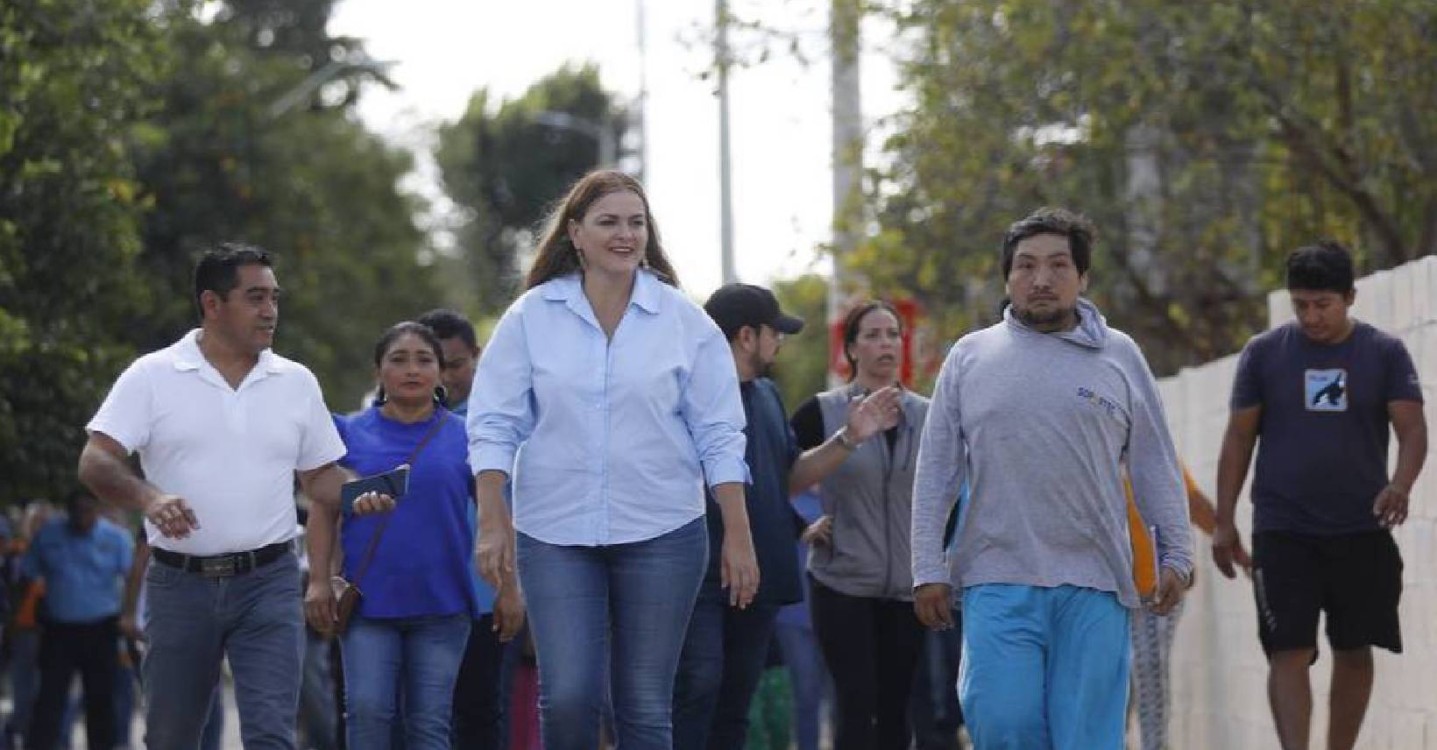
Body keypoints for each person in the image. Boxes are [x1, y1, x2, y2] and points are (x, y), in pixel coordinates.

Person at [468, 169, 760, 750]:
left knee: (645, 708)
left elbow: (720, 433)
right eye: (608, 222)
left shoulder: (685, 323)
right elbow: (495, 422)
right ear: (575, 233)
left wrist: (738, 532)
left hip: (664, 531)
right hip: (554, 533)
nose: (625, 235)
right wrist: (491, 514)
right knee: (570, 698)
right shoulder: (531, 318)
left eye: (636, 222)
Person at [77, 243, 380, 750]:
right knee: (170, 737)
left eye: (275, 298)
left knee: (270, 734)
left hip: (270, 582)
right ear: (212, 305)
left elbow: (319, 479)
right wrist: (149, 499)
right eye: (255, 297)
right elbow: (95, 460)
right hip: (179, 585)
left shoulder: (296, 381)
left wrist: (362, 493)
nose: (271, 311)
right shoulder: (151, 376)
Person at [910, 207, 1194, 749]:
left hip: (1097, 581)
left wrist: (1176, 555)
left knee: (1085, 737)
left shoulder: (1120, 355)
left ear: (1082, 278)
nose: (1041, 279)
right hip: (996, 575)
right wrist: (927, 567)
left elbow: (1155, 460)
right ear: (1008, 277)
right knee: (1002, 720)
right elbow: (936, 473)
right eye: (1026, 266)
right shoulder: (971, 357)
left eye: (1059, 265)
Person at [1212, 240, 1426, 750]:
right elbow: (1239, 437)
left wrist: (1400, 483)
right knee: (1289, 648)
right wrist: (1224, 521)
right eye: (1300, 305)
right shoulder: (1264, 355)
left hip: (1360, 527)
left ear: (1350, 297)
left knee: (1354, 648)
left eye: (1322, 305)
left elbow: (1413, 430)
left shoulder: (1384, 353)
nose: (1311, 316)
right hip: (1283, 529)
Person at [672, 285, 901, 749]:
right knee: (696, 693)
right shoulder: (685, 396)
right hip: (699, 580)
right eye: (775, 332)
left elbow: (789, 478)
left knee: (734, 708)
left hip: (759, 583)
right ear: (745, 336)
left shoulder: (767, 396)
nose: (781, 341)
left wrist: (849, 439)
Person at [303, 321, 524, 750]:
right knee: (367, 715)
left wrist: (509, 588)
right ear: (378, 372)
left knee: (430, 725)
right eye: (398, 360)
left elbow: (495, 515)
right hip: (367, 606)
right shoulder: (347, 432)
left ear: (440, 372)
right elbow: (323, 509)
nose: (412, 370)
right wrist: (317, 580)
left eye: (424, 360)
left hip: (443, 607)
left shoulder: (466, 435)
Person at [787, 299, 929, 750]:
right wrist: (847, 440)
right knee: (855, 703)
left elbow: (954, 487)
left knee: (895, 710)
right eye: (872, 334)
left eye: (893, 333)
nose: (885, 343)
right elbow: (783, 480)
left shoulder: (930, 414)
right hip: (842, 582)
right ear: (850, 349)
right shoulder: (823, 411)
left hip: (908, 588)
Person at [415, 308, 512, 749]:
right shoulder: (405, 422)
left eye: (456, 364)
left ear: (476, 355)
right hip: (423, 596)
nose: (446, 378)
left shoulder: (503, 418)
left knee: (481, 715)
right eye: (436, 365)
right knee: (424, 717)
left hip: (487, 595)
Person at [20, 493, 132, 750]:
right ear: (68, 512)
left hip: (101, 628)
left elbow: (131, 579)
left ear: (97, 510)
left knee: (101, 699)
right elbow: (28, 573)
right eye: (76, 511)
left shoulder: (115, 538)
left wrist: (129, 618)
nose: (82, 517)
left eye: (87, 510)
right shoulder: (49, 535)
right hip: (59, 629)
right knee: (49, 698)